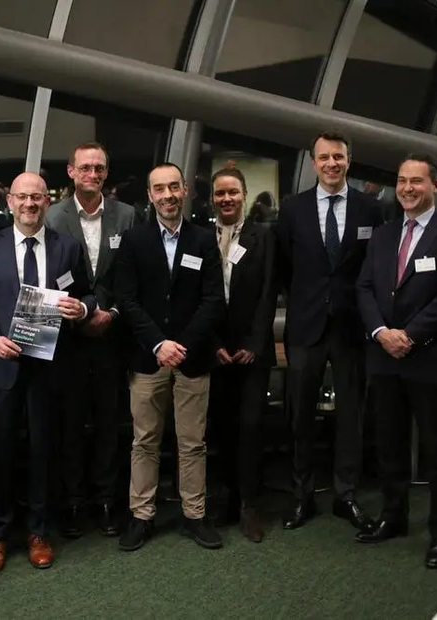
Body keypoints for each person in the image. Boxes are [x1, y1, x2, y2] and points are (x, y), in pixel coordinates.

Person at [0, 172, 96, 575]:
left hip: (50, 369)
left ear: (46, 202)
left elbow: (87, 293)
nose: (30, 204)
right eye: (22, 197)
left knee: (43, 451)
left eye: (37, 197)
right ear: (10, 201)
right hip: (3, 366)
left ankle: (38, 532)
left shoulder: (67, 247)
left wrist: (82, 309)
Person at [355, 153, 437, 569]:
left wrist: (411, 335)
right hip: (385, 357)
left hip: (430, 357)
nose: (407, 188)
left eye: (416, 181)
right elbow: (365, 288)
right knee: (389, 444)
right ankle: (394, 516)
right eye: (402, 181)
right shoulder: (384, 235)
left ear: (435, 186)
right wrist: (380, 332)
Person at [114, 162, 225, 551]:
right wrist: (159, 344)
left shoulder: (203, 239)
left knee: (193, 442)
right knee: (144, 440)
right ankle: (141, 515)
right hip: (148, 359)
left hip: (192, 358)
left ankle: (195, 515)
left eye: (174, 187)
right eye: (159, 189)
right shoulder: (134, 240)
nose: (167, 195)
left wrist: (182, 345)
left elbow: (213, 300)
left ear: (185, 190)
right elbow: (126, 299)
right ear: (150, 195)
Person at [276, 130, 382, 532]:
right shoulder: (293, 209)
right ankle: (302, 495)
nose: (332, 164)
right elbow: (286, 268)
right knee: (300, 415)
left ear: (349, 161)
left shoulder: (371, 209)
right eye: (324, 157)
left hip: (352, 328)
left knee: (351, 415)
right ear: (314, 163)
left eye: (338, 157)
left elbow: (374, 268)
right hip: (306, 326)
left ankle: (345, 494)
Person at [45, 142, 136, 538]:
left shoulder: (127, 216)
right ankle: (73, 502)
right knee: (69, 424)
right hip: (69, 339)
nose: (93, 174)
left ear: (106, 172)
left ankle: (106, 501)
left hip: (112, 336)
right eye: (85, 167)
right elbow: (49, 275)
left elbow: (130, 274)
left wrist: (109, 312)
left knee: (109, 423)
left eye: (99, 167)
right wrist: (82, 314)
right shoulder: (52, 216)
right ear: (71, 171)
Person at [206, 167, 278, 542]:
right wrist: (212, 343)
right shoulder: (201, 237)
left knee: (250, 427)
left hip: (252, 351)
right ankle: (227, 499)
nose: (227, 199)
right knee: (221, 427)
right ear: (212, 198)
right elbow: (197, 295)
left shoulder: (262, 237)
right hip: (215, 350)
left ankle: (250, 504)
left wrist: (255, 343)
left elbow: (268, 293)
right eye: (220, 193)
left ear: (245, 195)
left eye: (233, 192)